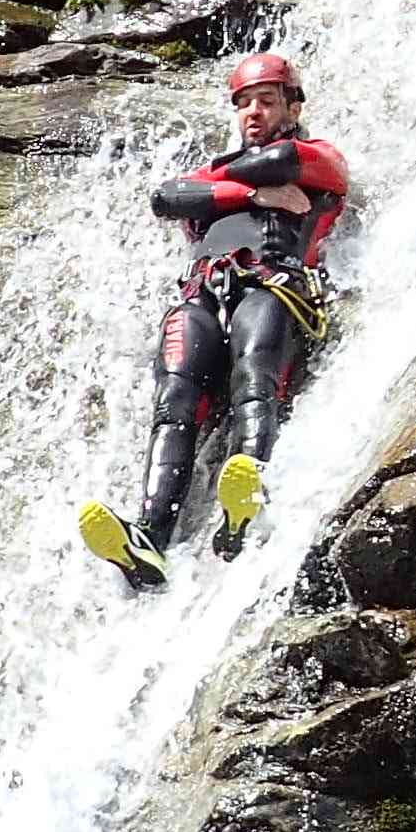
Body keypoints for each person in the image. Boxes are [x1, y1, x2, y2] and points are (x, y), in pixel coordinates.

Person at [79, 48, 352, 591]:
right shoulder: (220, 174)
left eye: (266, 102)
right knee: (174, 397)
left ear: (292, 108)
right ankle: (149, 539)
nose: (253, 112)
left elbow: (281, 164)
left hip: (273, 285)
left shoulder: (317, 155)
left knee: (254, 374)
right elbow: (166, 197)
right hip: (204, 293)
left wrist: (221, 190)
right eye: (244, 103)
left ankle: (245, 499)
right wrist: (248, 193)